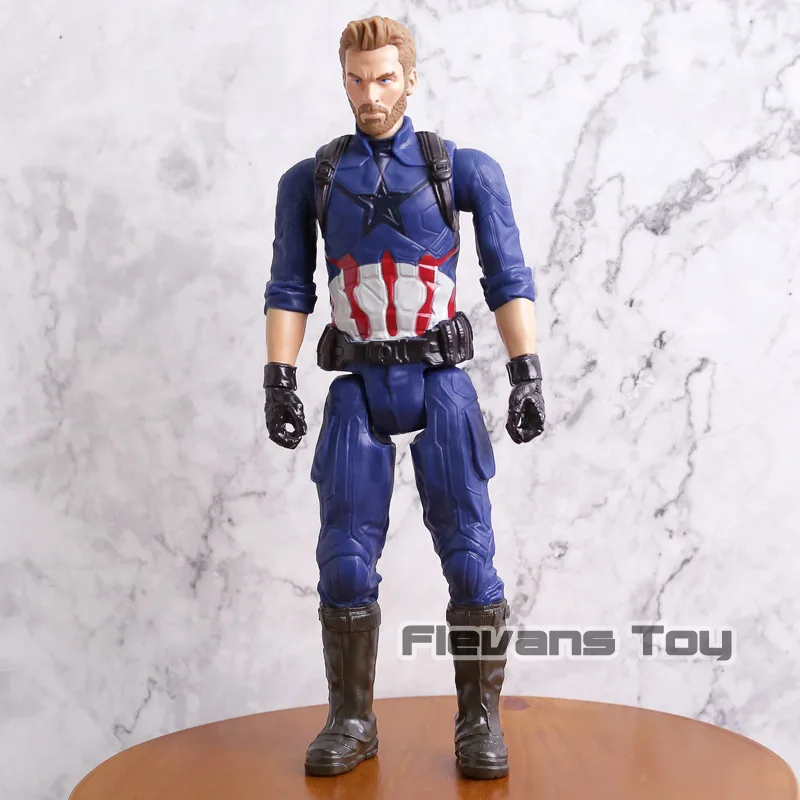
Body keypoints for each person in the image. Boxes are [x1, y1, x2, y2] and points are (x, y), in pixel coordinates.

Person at [262, 15, 545, 781]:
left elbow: (507, 276)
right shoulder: (312, 179)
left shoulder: (461, 169)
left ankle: (479, 719)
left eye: (385, 78)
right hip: (357, 386)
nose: (371, 95)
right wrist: (278, 378)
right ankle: (351, 718)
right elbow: (289, 286)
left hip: (439, 380)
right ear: (342, 81)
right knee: (344, 559)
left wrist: (527, 371)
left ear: (410, 78)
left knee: (470, 556)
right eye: (356, 80)